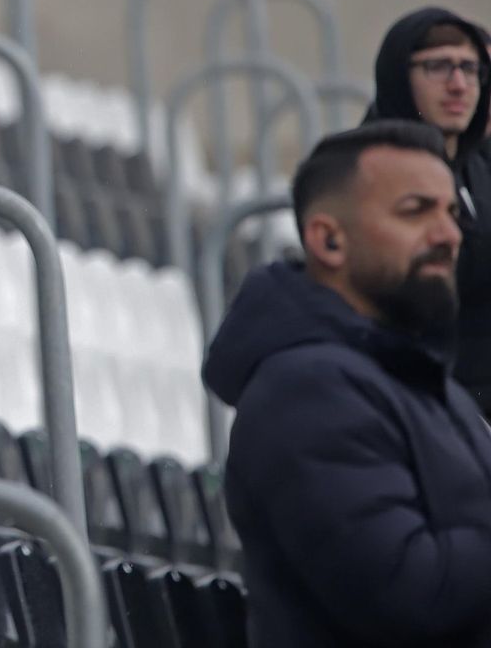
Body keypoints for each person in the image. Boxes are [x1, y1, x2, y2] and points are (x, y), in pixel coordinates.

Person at [201, 121, 491, 647]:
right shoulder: (307, 391)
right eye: (415, 211)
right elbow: (411, 596)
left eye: (451, 213)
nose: (449, 235)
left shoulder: (420, 383)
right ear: (329, 239)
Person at [366, 7, 491, 414]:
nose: (458, 84)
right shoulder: (368, 173)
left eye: (471, 70)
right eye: (438, 67)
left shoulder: (477, 166)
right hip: (427, 406)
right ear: (399, 77)